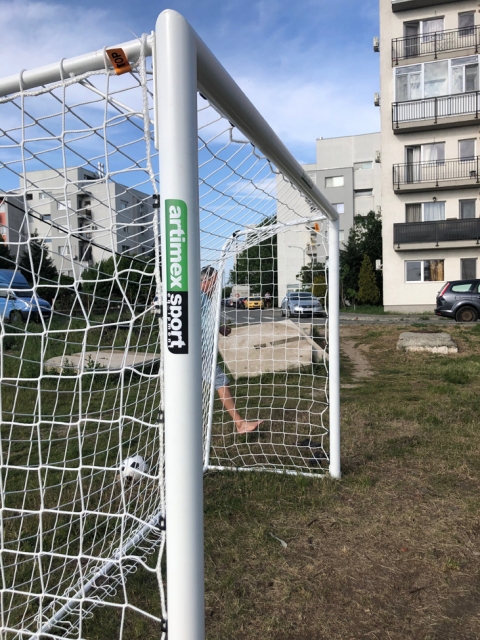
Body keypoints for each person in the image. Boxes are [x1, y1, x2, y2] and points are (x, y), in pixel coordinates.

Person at [201, 266, 263, 434]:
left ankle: (239, 423)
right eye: (214, 282)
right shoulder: (198, 296)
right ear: (205, 281)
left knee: (218, 382)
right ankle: (240, 424)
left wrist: (219, 328)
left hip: (202, 349)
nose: (217, 286)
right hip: (200, 349)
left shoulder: (203, 297)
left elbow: (203, 321)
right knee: (220, 382)